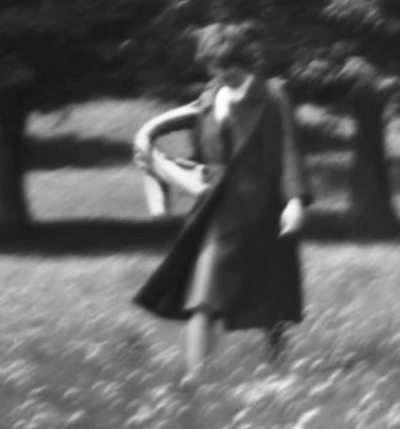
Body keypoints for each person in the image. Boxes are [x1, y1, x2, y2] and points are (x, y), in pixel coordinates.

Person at [132, 23, 310, 379]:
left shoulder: (274, 96)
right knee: (202, 296)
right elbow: (203, 153)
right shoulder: (210, 98)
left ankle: (278, 371)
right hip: (215, 210)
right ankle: (195, 380)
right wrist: (169, 169)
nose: (222, 72)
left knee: (269, 296)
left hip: (263, 210)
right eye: (214, 65)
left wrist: (295, 201)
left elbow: (289, 150)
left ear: (243, 60)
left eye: (228, 64)